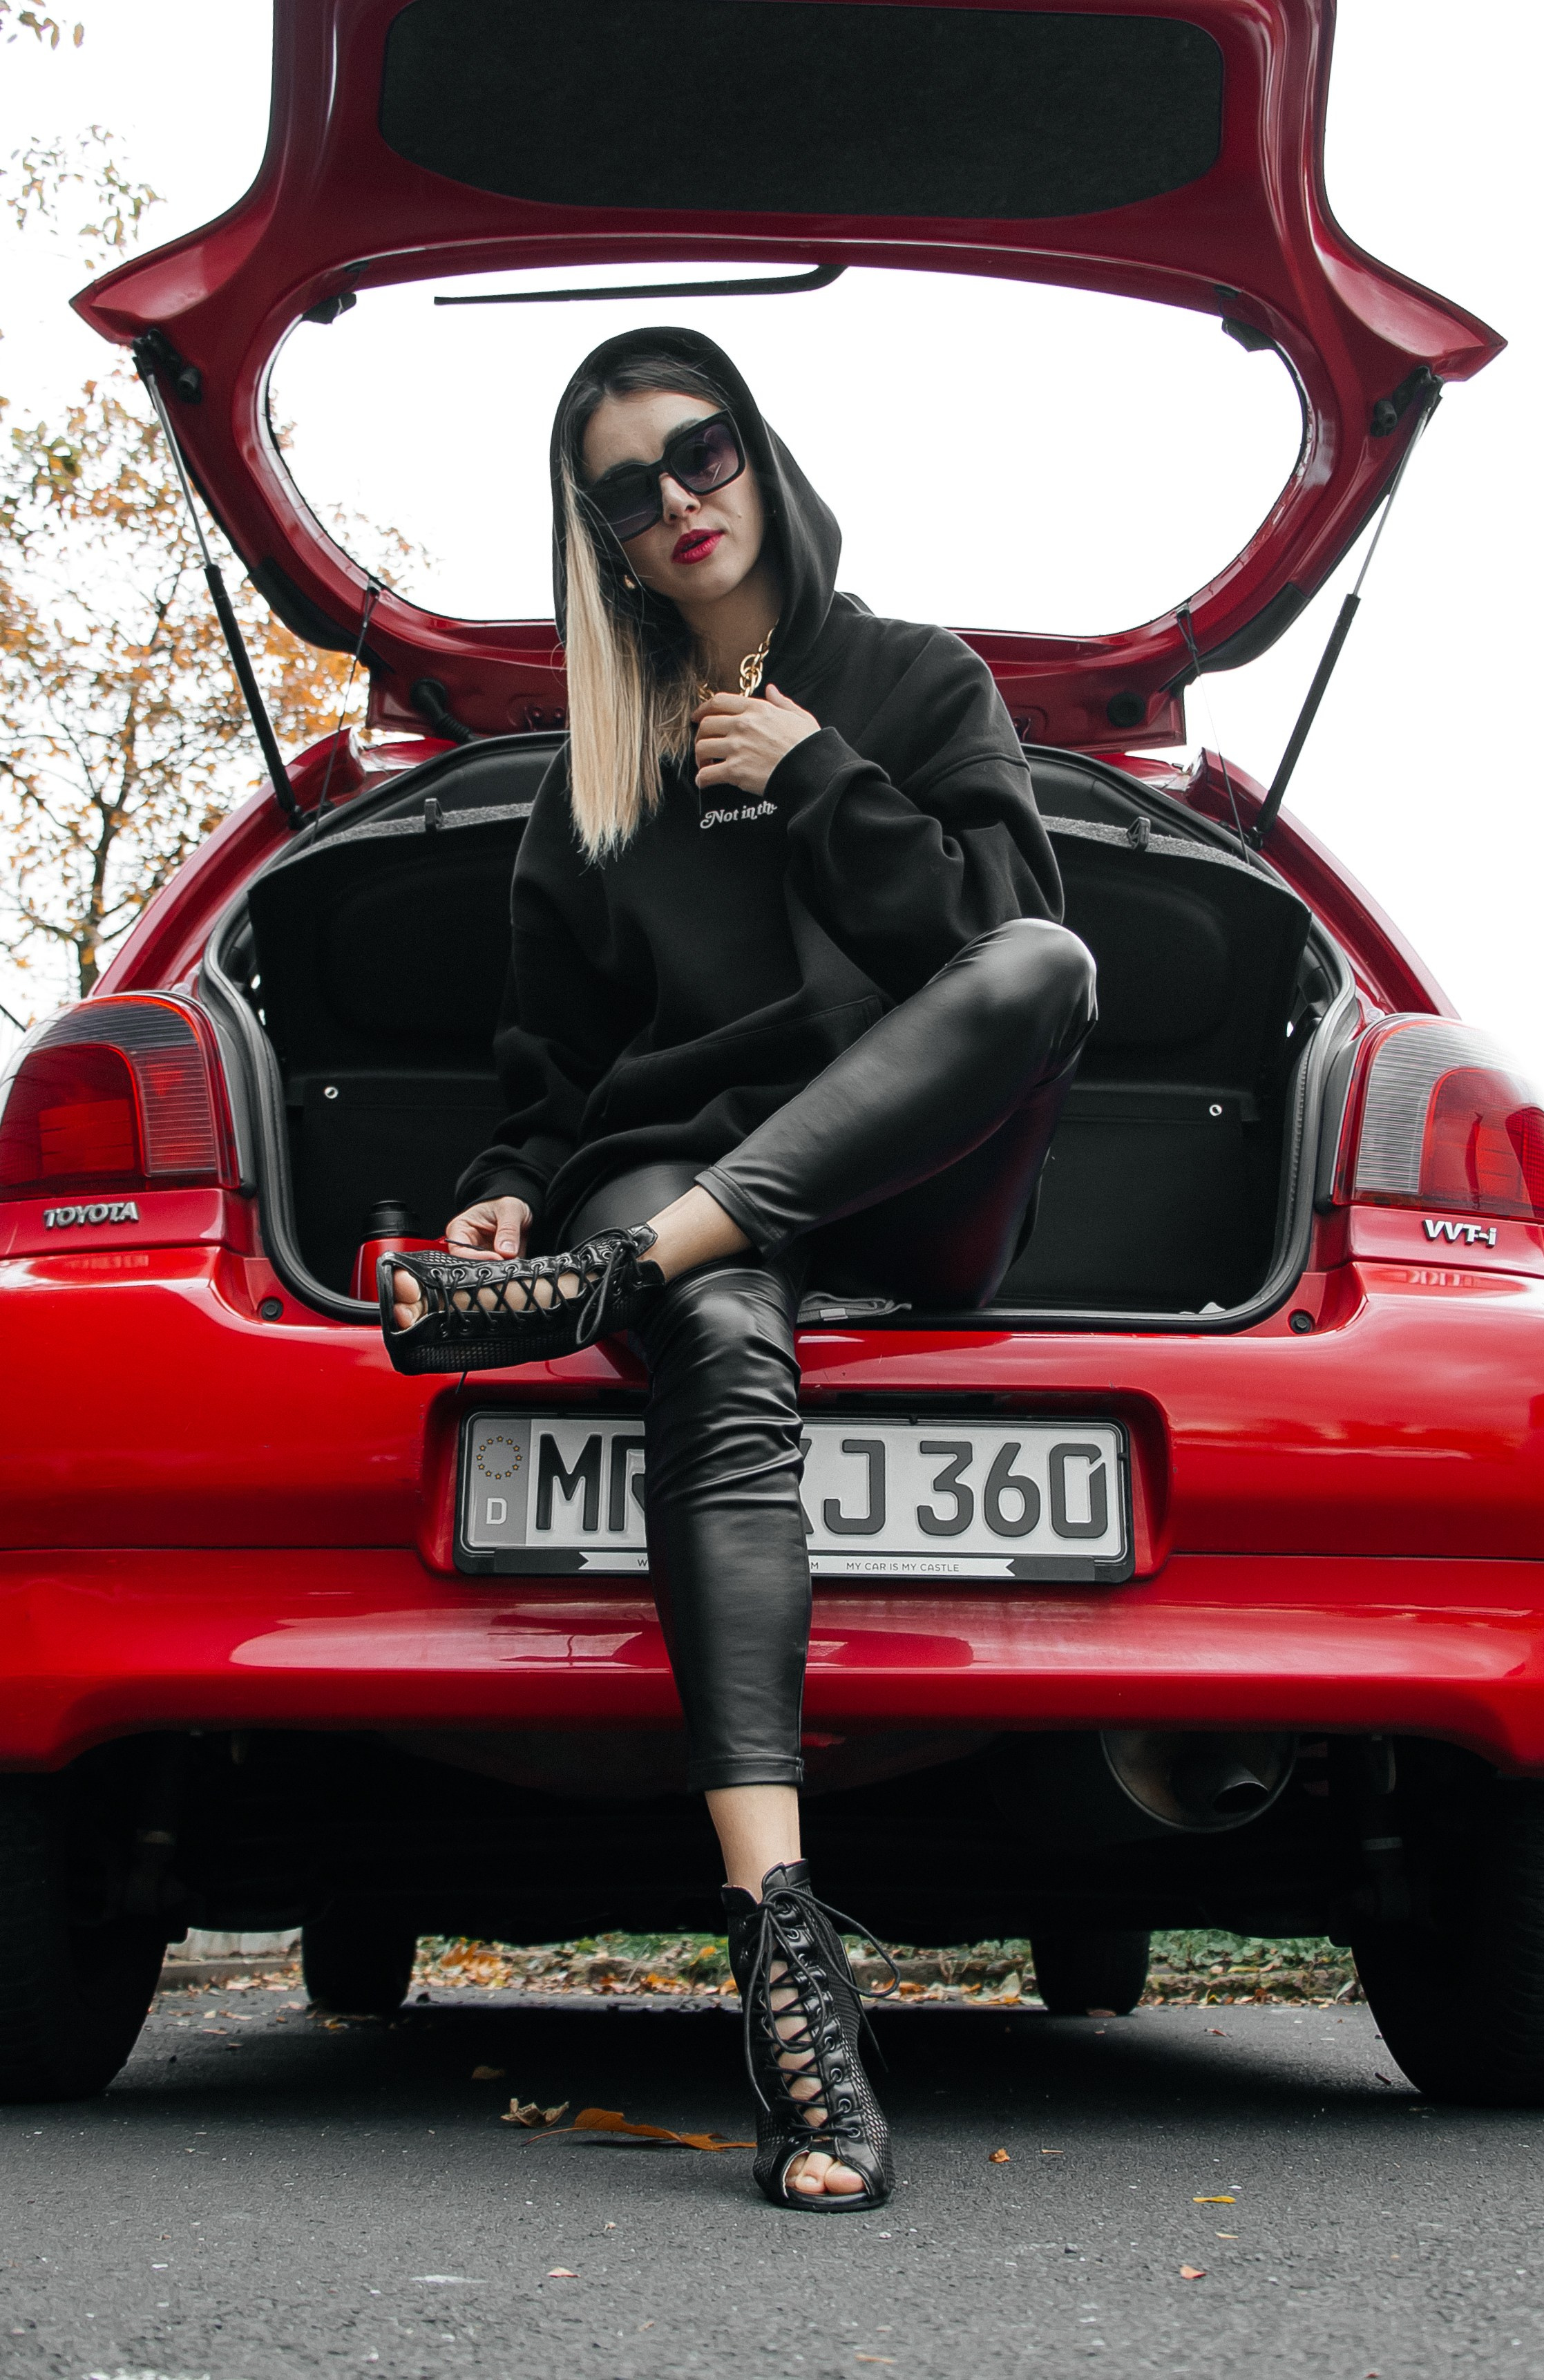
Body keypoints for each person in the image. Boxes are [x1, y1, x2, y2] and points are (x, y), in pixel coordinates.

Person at [381, 327, 1096, 2211]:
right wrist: (507, 1193)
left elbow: (997, 940)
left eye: (699, 453)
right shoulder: (595, 774)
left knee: (1052, 966)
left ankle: (618, 1280)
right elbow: (550, 1065)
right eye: (626, 489)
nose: (677, 501)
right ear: (599, 540)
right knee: (708, 1319)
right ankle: (787, 1965)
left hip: (909, 1169)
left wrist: (819, 776)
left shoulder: (912, 682)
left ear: (758, 454)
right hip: (675, 1174)